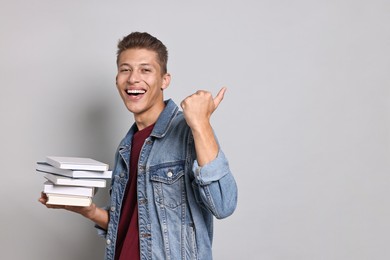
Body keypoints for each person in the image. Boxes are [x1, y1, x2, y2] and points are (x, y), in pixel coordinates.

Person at [39, 31, 238, 260]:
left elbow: (224, 205)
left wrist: (201, 124)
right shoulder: (126, 146)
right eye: (125, 69)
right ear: (117, 79)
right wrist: (89, 211)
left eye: (145, 70)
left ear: (165, 80)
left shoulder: (189, 130)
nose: (133, 78)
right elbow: (134, 226)